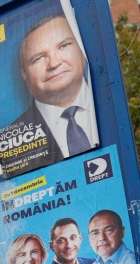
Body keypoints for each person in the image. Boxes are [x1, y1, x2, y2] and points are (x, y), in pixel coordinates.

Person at [12, 14, 97, 163]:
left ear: (81, 49)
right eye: (38, 58)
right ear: (24, 74)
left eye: (63, 46)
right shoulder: (11, 143)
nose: (54, 63)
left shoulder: (112, 102)